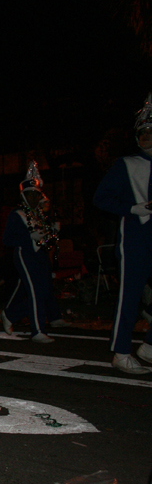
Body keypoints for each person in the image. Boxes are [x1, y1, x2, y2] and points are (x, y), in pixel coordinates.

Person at [93, 93, 152, 374]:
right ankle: (121, 351)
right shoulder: (126, 165)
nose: (147, 138)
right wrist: (133, 208)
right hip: (136, 239)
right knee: (129, 296)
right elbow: (101, 199)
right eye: (144, 134)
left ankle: (149, 346)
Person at [0, 162, 59, 343]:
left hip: (40, 255)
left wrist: (52, 232)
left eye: (36, 194)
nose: (33, 198)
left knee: (43, 291)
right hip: (25, 255)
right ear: (23, 196)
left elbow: (45, 238)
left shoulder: (39, 215)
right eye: (30, 194)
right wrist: (29, 237)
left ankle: (10, 314)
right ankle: (37, 331)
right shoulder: (17, 214)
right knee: (34, 292)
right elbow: (7, 240)